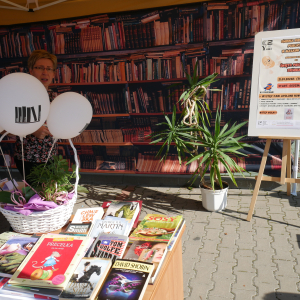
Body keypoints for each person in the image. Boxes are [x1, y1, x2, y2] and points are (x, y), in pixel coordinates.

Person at [14, 50, 58, 185]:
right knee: (36, 196)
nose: (45, 72)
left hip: (51, 155)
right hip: (29, 157)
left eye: (49, 69)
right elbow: (7, 126)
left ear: (53, 74)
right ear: (31, 71)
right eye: (40, 68)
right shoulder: (22, 95)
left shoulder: (54, 97)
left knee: (49, 194)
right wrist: (33, 130)